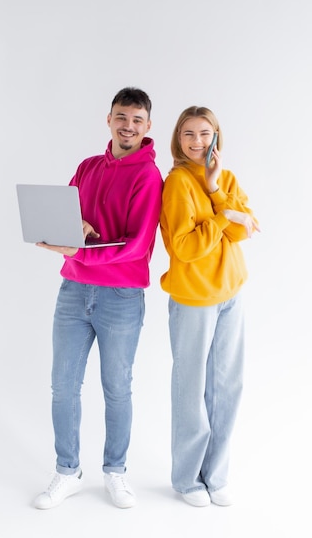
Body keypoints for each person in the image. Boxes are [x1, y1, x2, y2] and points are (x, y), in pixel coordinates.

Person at [33, 87, 163, 510]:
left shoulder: (148, 176)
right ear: (108, 119)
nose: (128, 126)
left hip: (121, 296)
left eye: (137, 120)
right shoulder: (87, 167)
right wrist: (70, 232)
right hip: (73, 289)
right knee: (63, 386)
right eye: (122, 117)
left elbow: (138, 245)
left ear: (147, 127)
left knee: (117, 388)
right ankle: (67, 471)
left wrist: (84, 249)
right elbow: (68, 217)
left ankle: (116, 472)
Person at [159, 106, 260, 508]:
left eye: (205, 133)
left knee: (226, 388)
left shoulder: (227, 178)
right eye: (189, 134)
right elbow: (184, 247)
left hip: (230, 296)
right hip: (193, 301)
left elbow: (245, 229)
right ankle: (186, 479)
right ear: (178, 139)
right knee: (190, 390)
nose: (197, 142)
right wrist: (222, 216)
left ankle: (215, 476)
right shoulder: (177, 183)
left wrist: (218, 191)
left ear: (216, 136)